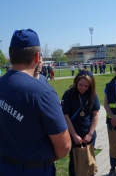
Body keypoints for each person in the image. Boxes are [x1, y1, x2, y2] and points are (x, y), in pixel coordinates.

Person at [0, 29, 71, 176]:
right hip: (34, 170)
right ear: (37, 56)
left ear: (11, 54)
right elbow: (64, 147)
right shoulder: (42, 92)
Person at [61, 69, 100, 176]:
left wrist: (90, 134)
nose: (83, 88)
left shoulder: (92, 95)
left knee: (88, 162)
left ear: (91, 86)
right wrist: (74, 135)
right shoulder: (69, 94)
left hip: (88, 135)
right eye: (80, 85)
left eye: (86, 86)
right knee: (74, 163)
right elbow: (65, 115)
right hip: (73, 135)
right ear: (76, 82)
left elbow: (95, 115)